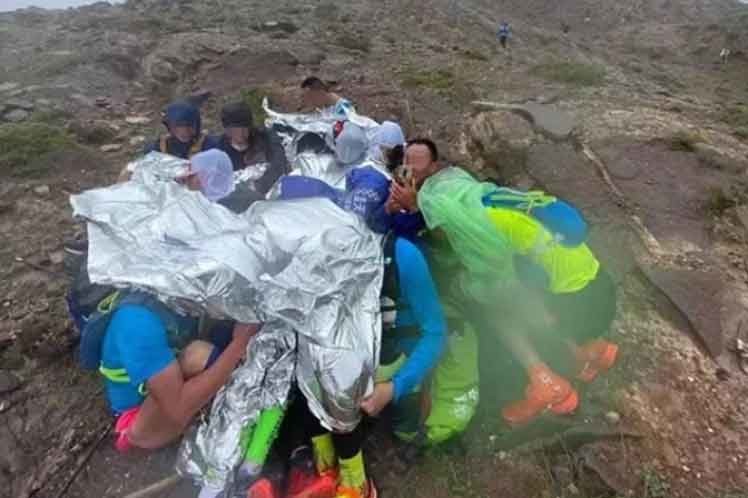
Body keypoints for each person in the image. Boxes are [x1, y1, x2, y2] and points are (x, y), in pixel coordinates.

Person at [285, 234, 448, 498]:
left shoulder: (402, 255)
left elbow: (436, 334)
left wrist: (394, 388)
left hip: (394, 365)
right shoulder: (325, 248)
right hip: (352, 360)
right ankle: (326, 465)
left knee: (346, 386)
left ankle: (357, 484)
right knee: (311, 365)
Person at [204, 102, 289, 193]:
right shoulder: (217, 148)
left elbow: (280, 162)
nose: (241, 133)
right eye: (236, 129)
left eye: (245, 128)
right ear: (227, 130)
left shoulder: (265, 138)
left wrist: (260, 185)